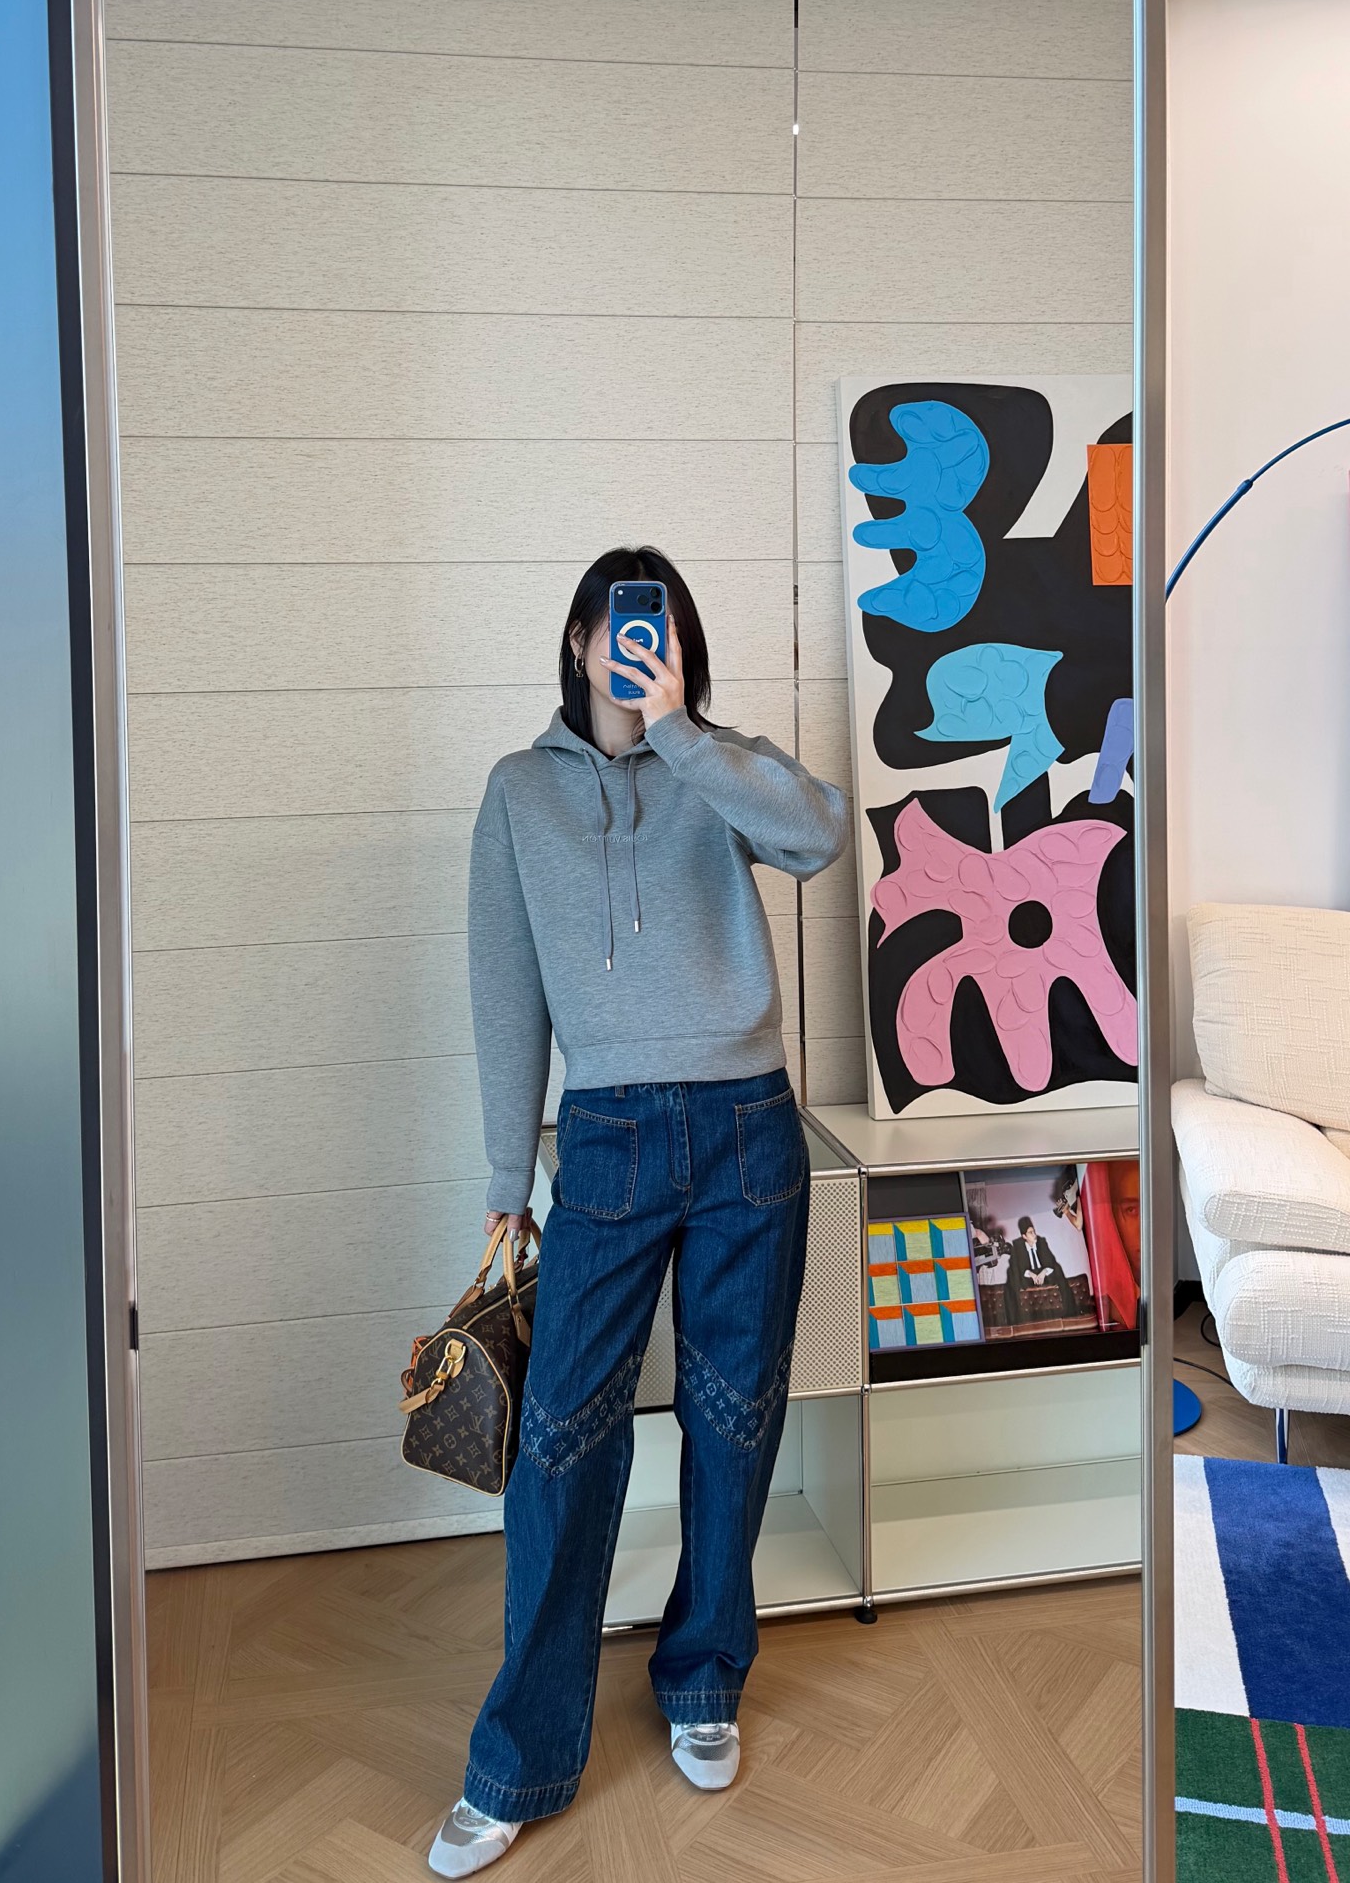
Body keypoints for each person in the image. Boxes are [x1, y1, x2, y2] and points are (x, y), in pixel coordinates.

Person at [429, 547, 849, 1876]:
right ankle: (520, 1753)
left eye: (656, 625)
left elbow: (822, 834)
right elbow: (507, 987)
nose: (631, 643)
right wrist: (507, 1181)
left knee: (735, 1412)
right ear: (575, 639)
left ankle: (705, 1671)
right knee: (560, 1436)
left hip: (747, 1127)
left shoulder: (720, 765)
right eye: (614, 625)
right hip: (605, 1138)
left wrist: (681, 731)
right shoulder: (519, 791)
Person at [1003, 1215, 1075, 1325]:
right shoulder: (1017, 1246)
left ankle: (1070, 1312)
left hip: (1044, 1275)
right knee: (1010, 1274)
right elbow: (1016, 1267)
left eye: (1034, 1231)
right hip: (1027, 1278)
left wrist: (1043, 1272)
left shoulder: (1041, 1242)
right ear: (1024, 1236)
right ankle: (1014, 1320)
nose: (1034, 1235)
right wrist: (1030, 1274)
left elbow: (1051, 1261)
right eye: (1030, 1233)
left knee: (1058, 1268)